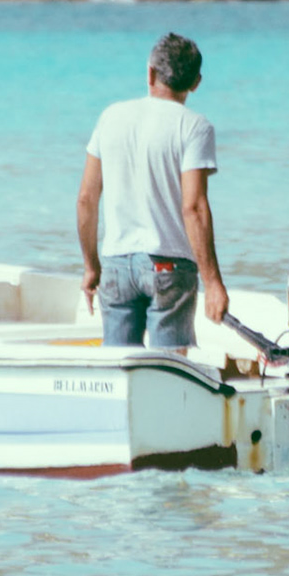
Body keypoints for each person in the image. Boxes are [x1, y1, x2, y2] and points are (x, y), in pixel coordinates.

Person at [75, 33, 229, 348]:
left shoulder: (111, 117)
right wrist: (214, 284)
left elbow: (86, 199)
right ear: (196, 83)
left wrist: (92, 266)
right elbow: (194, 208)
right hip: (169, 265)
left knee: (117, 371)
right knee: (170, 373)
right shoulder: (195, 126)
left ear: (150, 73)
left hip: (116, 264)